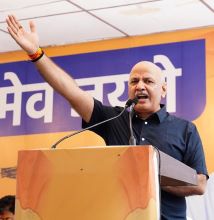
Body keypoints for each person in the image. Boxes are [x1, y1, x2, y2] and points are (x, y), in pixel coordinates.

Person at [6, 15, 208, 219]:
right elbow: (71, 92)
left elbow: (200, 184)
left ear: (163, 89)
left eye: (148, 81)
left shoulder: (185, 129)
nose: (140, 86)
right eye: (134, 81)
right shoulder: (114, 119)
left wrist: (149, 173)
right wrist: (36, 53)